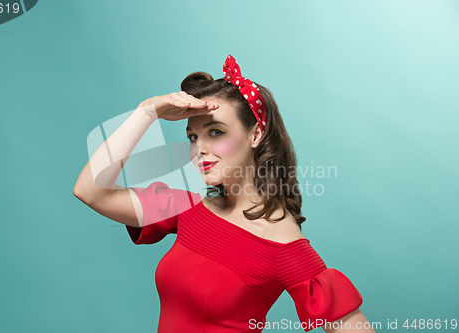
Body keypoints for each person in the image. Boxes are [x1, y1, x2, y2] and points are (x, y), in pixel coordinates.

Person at [73, 54, 377, 333]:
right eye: (193, 136)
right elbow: (90, 191)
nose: (199, 148)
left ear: (256, 134)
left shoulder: (281, 243)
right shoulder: (186, 206)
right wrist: (147, 112)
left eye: (215, 132)